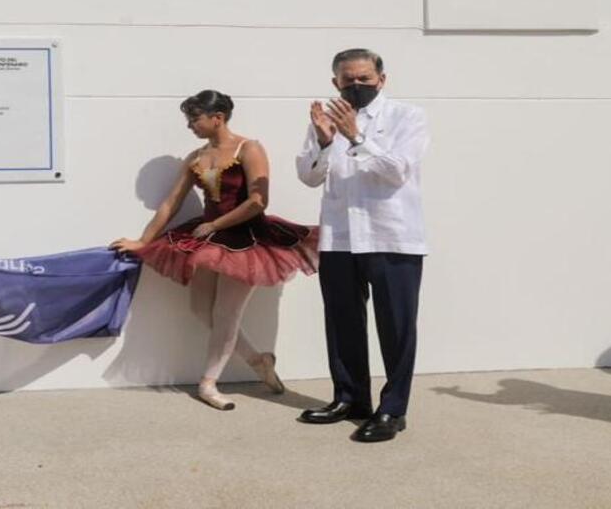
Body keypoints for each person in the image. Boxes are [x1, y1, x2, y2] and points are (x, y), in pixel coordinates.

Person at [112, 91, 317, 410]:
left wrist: (215, 225)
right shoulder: (195, 157)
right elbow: (170, 204)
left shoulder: (248, 148)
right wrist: (143, 241)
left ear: (217, 117)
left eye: (195, 118)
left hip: (247, 239)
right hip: (208, 239)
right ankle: (258, 361)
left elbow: (258, 201)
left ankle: (208, 383)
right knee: (200, 309)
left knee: (226, 313)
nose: (190, 125)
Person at [295, 49, 428, 443]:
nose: (357, 86)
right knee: (342, 323)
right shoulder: (326, 120)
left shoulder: (408, 117)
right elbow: (308, 176)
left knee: (397, 326)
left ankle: (392, 410)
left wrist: (355, 136)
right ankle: (350, 399)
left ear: (382, 79)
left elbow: (396, 171)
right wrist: (323, 142)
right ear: (335, 82)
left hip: (392, 236)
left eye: (365, 79)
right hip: (339, 236)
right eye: (348, 80)